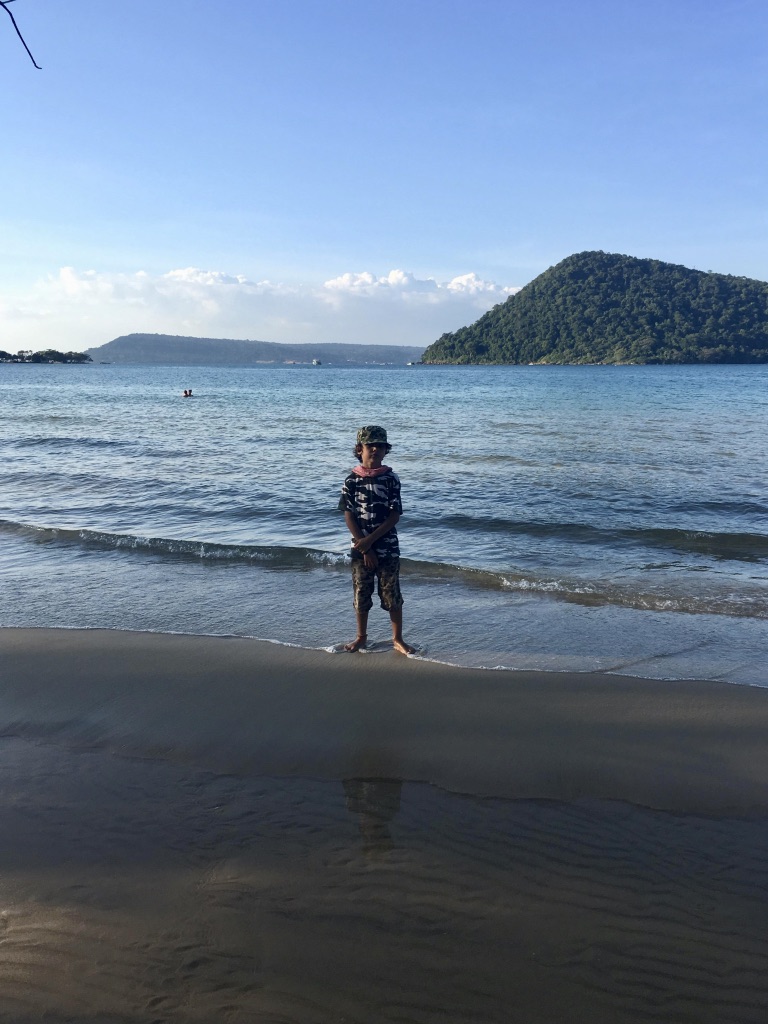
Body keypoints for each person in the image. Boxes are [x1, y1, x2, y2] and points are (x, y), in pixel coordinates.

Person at [339, 425, 415, 655]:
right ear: (359, 449)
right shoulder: (351, 481)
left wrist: (370, 541)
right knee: (361, 593)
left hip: (387, 547)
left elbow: (395, 515)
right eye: (370, 445)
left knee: (392, 594)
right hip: (360, 548)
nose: (375, 449)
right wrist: (364, 547)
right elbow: (348, 516)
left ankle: (397, 639)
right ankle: (361, 637)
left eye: (380, 446)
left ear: (385, 450)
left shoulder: (391, 479)